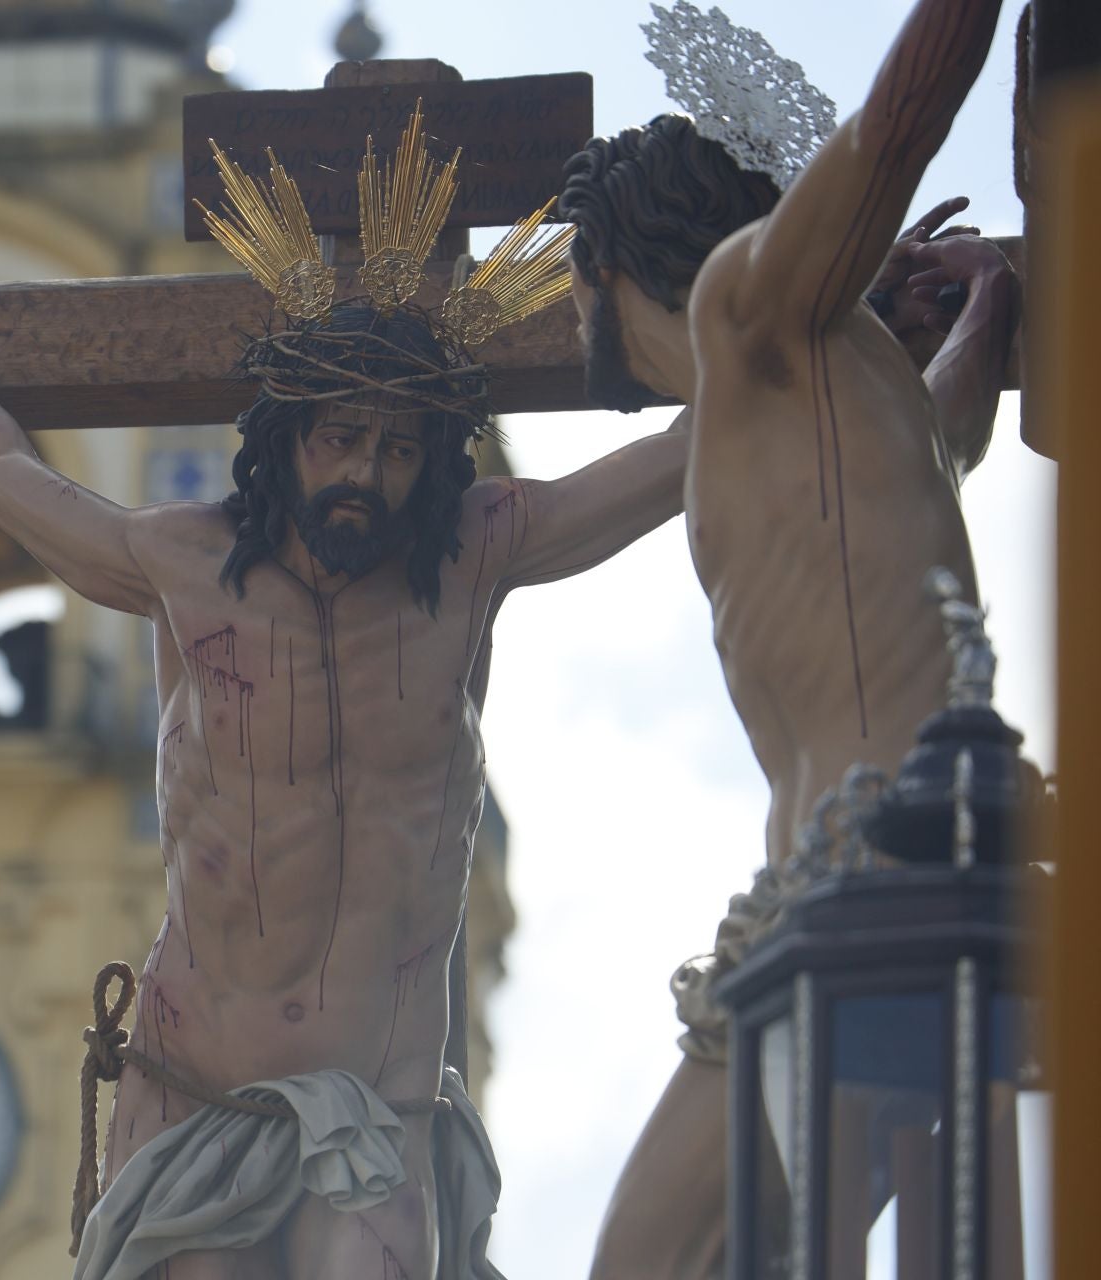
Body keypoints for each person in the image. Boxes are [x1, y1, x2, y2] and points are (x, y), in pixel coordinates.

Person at [0, 130, 691, 1274]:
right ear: (285, 439)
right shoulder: (180, 565)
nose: (367, 473)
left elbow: (691, 451)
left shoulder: (475, 556)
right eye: (342, 437)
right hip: (201, 1099)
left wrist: (822, 313)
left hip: (381, 1119)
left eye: (401, 449)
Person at [557, 1, 1019, 1275]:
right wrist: (988, 307)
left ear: (603, 265)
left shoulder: (744, 305)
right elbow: (940, 454)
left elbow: (894, 129)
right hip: (853, 887)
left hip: (873, 875)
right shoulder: (808, 388)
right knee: (703, 1260)